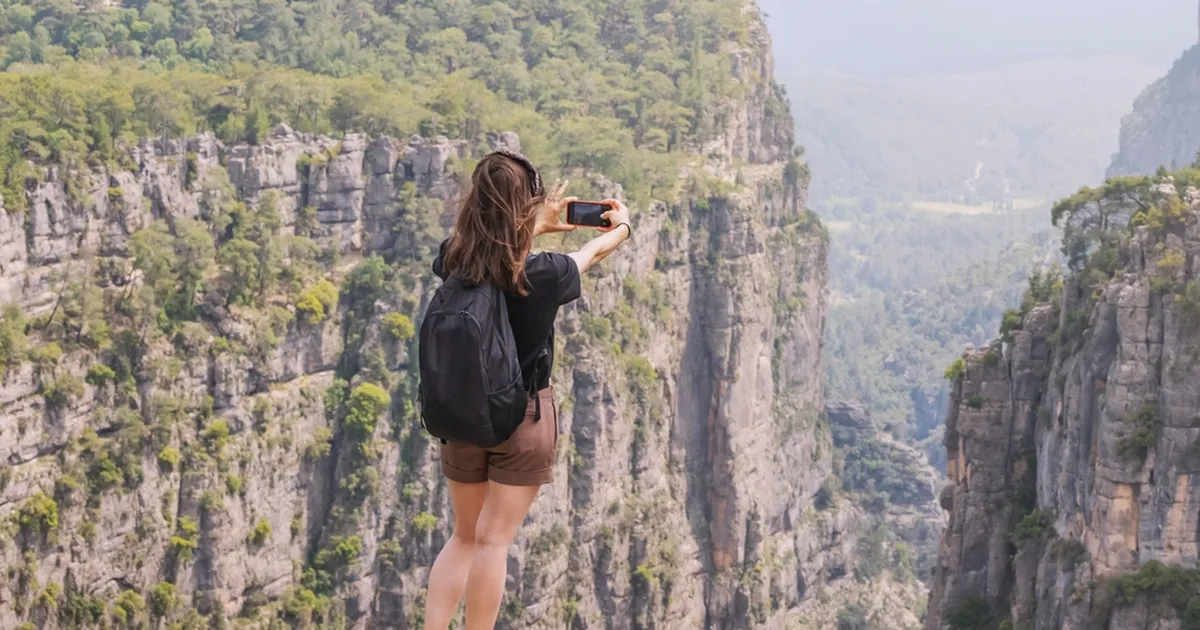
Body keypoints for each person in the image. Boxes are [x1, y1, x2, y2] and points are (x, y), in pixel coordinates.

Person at [422, 149, 632, 630]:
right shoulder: (544, 274)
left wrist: (530, 225)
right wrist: (621, 227)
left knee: (464, 537)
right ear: (527, 208)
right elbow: (593, 252)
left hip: (462, 415)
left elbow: (487, 249)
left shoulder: (454, 260)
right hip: (524, 420)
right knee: (494, 541)